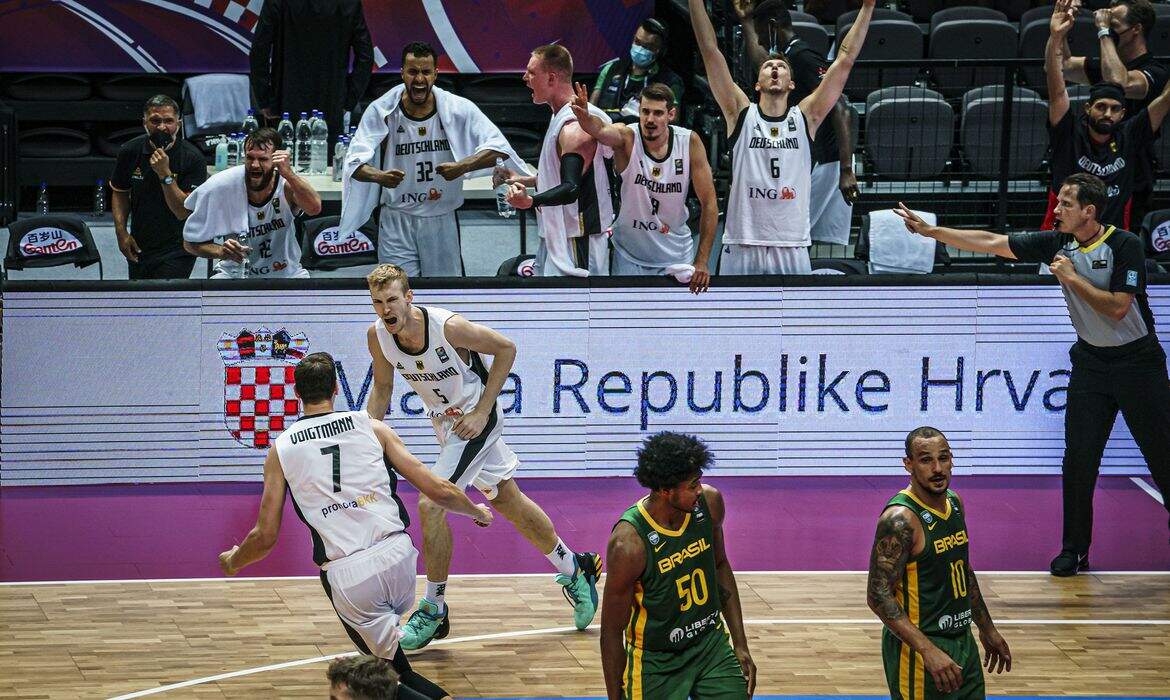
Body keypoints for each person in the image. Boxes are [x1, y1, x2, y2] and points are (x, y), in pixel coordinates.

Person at [894, 173, 1170, 577]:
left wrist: (1071, 277)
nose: (1056, 211)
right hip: (1092, 365)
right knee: (1078, 461)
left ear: (1089, 212)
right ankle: (1074, 550)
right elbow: (992, 242)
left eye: (1065, 205)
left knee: (1162, 458)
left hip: (1139, 365)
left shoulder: (1124, 245)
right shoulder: (1058, 244)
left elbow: (1117, 308)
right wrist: (930, 230)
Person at [217, 352, 488, 700]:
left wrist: (234, 560)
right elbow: (436, 488)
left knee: (389, 677)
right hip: (400, 558)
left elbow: (265, 536)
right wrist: (475, 510)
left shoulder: (281, 449)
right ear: (335, 388)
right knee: (387, 667)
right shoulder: (372, 427)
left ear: (296, 392)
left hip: (352, 577)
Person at [364, 264, 602, 649]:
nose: (385, 309)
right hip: (447, 426)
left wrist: (482, 410)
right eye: (377, 302)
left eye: (392, 299)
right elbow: (382, 385)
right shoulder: (378, 336)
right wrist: (367, 432)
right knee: (509, 501)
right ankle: (576, 569)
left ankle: (434, 608)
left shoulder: (448, 327)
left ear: (409, 297)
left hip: (476, 419)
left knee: (432, 502)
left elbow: (506, 348)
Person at [688, 0, 875, 275]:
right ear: (757, 82)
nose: (774, 68)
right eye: (767, 66)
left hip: (790, 244)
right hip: (742, 243)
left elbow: (845, 59)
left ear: (792, 83)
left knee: (793, 320)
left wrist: (868, 7)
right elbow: (709, 50)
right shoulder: (740, 114)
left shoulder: (805, 118)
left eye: (781, 66)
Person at [342, 42, 531, 276]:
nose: (419, 79)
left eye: (425, 72)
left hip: (441, 217)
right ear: (402, 73)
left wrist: (463, 166)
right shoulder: (381, 110)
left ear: (435, 74)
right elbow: (353, 162)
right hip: (396, 217)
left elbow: (501, 149)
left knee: (445, 293)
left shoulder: (458, 108)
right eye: (412, 72)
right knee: (397, 290)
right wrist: (379, 176)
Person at [600, 432, 755, 700]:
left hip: (709, 644)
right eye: (692, 485)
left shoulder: (710, 504)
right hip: (657, 660)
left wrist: (740, 643)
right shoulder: (629, 545)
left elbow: (719, 565)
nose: (699, 491)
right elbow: (612, 632)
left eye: (699, 482)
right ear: (664, 490)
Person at [866, 427, 1012, 699]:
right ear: (908, 464)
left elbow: (962, 570)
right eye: (925, 460)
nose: (937, 468)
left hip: (962, 642)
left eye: (943, 458)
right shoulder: (900, 520)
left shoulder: (955, 503)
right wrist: (928, 650)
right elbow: (877, 594)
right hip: (921, 650)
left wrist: (987, 628)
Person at [733, 0, 859, 246]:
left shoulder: (802, 56)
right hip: (812, 156)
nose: (759, 41)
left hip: (829, 160)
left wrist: (846, 170)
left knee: (794, 229)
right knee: (798, 231)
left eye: (760, 34)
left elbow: (841, 108)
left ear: (772, 26)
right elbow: (761, 62)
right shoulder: (788, 56)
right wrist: (746, 21)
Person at [570, 82, 717, 292]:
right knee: (627, 323)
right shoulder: (627, 137)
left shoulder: (689, 142)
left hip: (675, 255)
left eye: (658, 113)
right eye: (645, 112)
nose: (649, 119)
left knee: (675, 323)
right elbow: (601, 129)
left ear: (671, 114)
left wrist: (702, 261)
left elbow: (709, 203)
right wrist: (584, 117)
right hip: (629, 256)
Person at [1044, 0, 1169, 231]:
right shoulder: (1107, 63)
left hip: (1129, 177)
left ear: (1136, 29)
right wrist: (1060, 31)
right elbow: (1063, 66)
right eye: (1101, 106)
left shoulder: (1155, 71)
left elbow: (1117, 82)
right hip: (1087, 163)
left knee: (1117, 249)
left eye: (1114, 25)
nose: (1109, 29)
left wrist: (1103, 31)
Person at [503, 44, 616, 277]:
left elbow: (571, 188)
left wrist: (530, 201)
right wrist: (526, 179)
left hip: (578, 238)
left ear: (551, 78)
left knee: (578, 310)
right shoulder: (561, 114)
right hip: (559, 233)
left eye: (531, 73)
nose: (525, 78)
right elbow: (564, 174)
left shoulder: (574, 126)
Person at [183, 127, 322, 278]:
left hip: (287, 273)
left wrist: (289, 174)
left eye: (262, 159)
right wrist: (220, 251)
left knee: (307, 293)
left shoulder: (286, 185)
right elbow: (190, 243)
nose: (255, 165)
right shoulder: (223, 186)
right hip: (234, 273)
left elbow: (314, 208)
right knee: (213, 293)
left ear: (276, 159)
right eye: (250, 158)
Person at [249, 0, 374, 148]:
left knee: (285, 164)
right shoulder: (348, 3)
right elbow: (365, 56)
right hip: (331, 101)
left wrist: (265, 99)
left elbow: (259, 51)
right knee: (326, 166)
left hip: (285, 101)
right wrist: (349, 99)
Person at [109, 95, 207, 279]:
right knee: (142, 301)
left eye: (168, 121)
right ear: (144, 122)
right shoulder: (130, 151)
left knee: (166, 300)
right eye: (155, 120)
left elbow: (182, 211)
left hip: (179, 247)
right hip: (140, 243)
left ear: (178, 123)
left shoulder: (193, 158)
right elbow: (120, 192)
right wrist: (121, 233)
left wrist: (165, 174)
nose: (162, 127)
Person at [590, 18, 686, 124]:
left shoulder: (671, 82)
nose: (640, 49)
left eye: (647, 46)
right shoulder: (611, 69)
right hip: (606, 132)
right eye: (637, 42)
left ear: (660, 50)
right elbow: (592, 108)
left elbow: (673, 120)